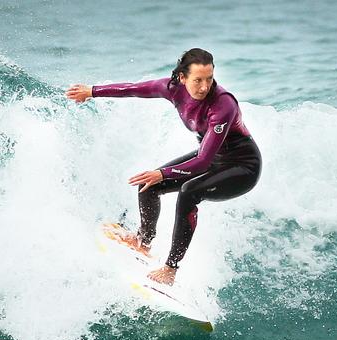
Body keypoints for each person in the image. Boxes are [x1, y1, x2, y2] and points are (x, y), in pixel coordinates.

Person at [66, 48, 261, 286]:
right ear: (182, 78)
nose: (204, 87)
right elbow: (133, 89)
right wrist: (92, 91)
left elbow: (203, 161)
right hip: (214, 158)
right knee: (148, 185)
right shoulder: (172, 89)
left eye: (209, 79)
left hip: (243, 167)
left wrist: (162, 173)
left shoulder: (223, 105)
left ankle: (170, 269)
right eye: (198, 80)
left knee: (189, 192)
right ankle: (143, 243)